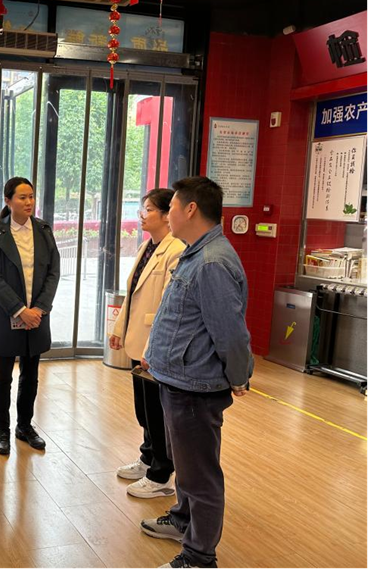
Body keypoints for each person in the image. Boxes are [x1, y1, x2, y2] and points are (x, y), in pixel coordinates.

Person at [139, 177, 253, 569]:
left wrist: (239, 375)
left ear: (190, 209)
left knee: (200, 475)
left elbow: (230, 333)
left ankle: (199, 557)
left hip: (195, 387)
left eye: (170, 207)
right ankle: (183, 520)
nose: (166, 214)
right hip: (179, 379)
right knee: (186, 466)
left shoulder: (211, 262)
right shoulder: (196, 253)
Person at [110, 188, 185, 499]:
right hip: (137, 341)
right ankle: (147, 457)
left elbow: (168, 306)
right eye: (143, 209)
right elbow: (133, 294)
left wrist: (154, 348)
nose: (142, 215)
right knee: (143, 408)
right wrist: (119, 328)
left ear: (167, 215)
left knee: (156, 411)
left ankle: (161, 474)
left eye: (149, 209)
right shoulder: (146, 247)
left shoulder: (176, 250)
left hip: (155, 345)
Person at [0, 177, 60, 455]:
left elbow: (53, 271)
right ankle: (2, 430)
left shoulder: (43, 230)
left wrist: (38, 309)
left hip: (37, 315)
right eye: (22, 197)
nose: (29, 202)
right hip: (7, 314)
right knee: (3, 377)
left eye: (31, 197)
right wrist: (19, 310)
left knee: (31, 374)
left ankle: (24, 426)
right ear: (8, 201)